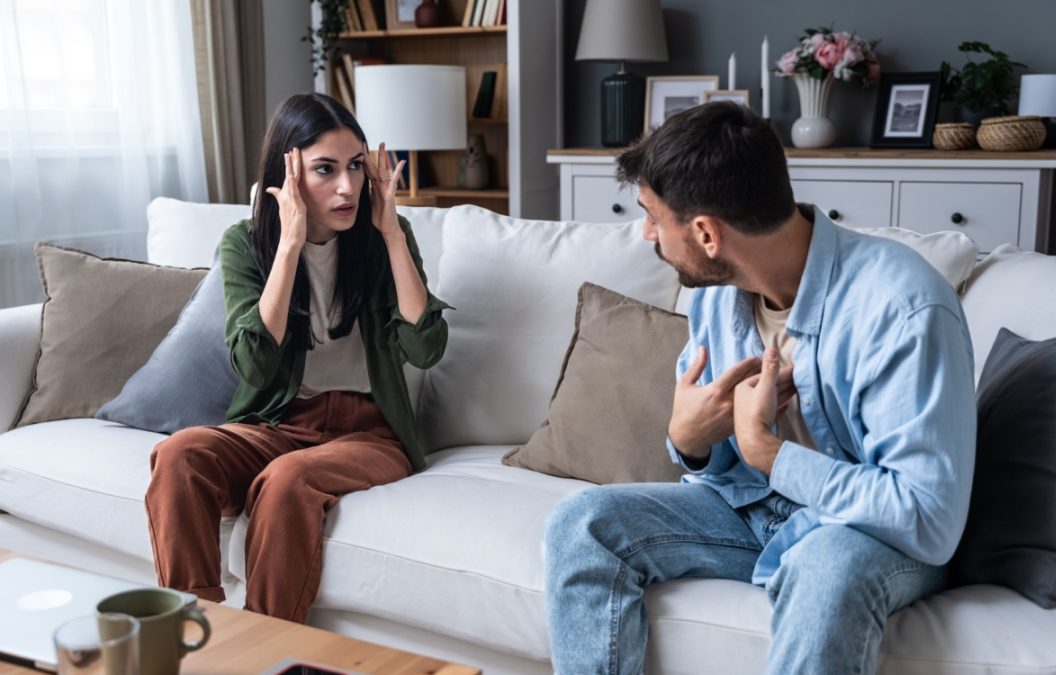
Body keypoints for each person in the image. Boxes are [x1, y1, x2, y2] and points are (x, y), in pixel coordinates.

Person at [543, 102, 977, 674]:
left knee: (827, 565)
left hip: (870, 532)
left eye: (652, 215)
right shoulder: (714, 295)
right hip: (751, 510)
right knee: (582, 523)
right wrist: (691, 439)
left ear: (705, 233)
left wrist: (770, 454)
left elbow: (928, 518)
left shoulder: (902, 307)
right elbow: (714, 466)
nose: (645, 232)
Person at [144, 93, 449, 623]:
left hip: (369, 434)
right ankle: (194, 635)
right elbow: (256, 368)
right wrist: (288, 247)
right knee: (179, 456)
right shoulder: (247, 244)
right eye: (325, 170)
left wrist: (392, 234)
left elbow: (426, 349)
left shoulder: (382, 242)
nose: (348, 186)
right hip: (278, 422)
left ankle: (270, 646)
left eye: (356, 167)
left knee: (286, 480)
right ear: (288, 174)